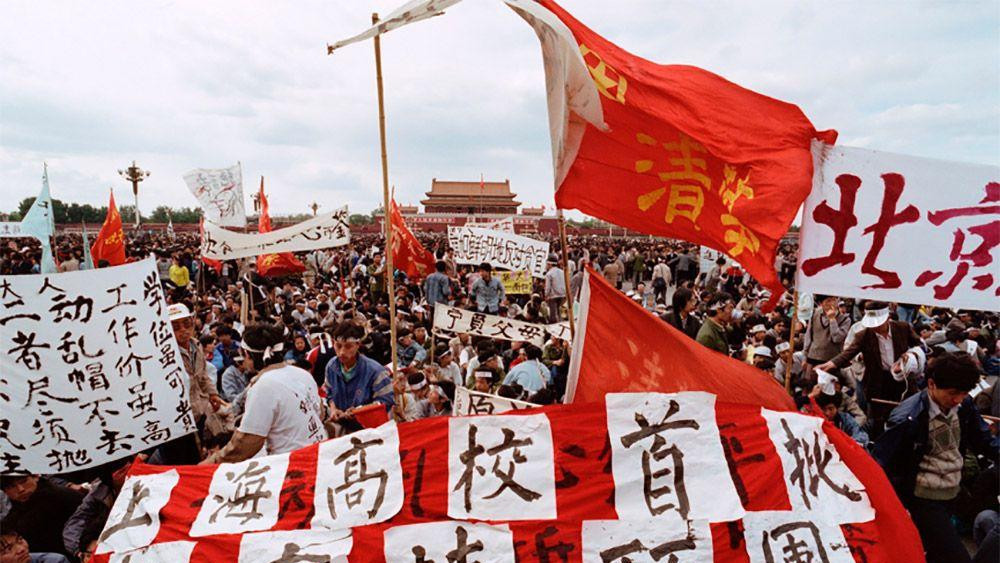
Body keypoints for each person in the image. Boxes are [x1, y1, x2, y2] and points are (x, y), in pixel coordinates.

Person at [873, 352, 999, 563]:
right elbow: (883, 464)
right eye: (953, 393)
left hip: (953, 492)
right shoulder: (907, 417)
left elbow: (984, 441)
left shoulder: (964, 406)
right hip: (923, 499)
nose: (958, 399)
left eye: (964, 393)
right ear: (931, 384)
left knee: (935, 553)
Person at [202, 322, 327, 464]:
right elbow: (320, 413)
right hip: (319, 450)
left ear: (248, 355)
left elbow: (246, 443)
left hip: (295, 462)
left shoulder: (262, 386)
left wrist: (210, 463)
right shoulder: (301, 373)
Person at [819, 301, 922, 436]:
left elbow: (920, 346)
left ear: (887, 318)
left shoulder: (903, 328)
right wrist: (832, 363)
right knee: (879, 418)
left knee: (905, 414)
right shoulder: (863, 335)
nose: (876, 328)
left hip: (902, 379)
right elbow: (849, 352)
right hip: (878, 382)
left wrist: (912, 355)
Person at [1, 475, 83, 560]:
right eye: (12, 487)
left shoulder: (63, 497)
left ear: (36, 477)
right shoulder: (13, 517)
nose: (21, 489)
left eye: (23, 481)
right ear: (5, 491)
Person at [324, 322, 395, 417]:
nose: (342, 352)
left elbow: (386, 401)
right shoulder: (331, 366)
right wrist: (334, 409)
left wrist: (360, 411)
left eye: (348, 346)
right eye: (338, 346)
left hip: (368, 426)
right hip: (342, 422)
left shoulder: (375, 371)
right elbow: (329, 393)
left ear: (358, 345)